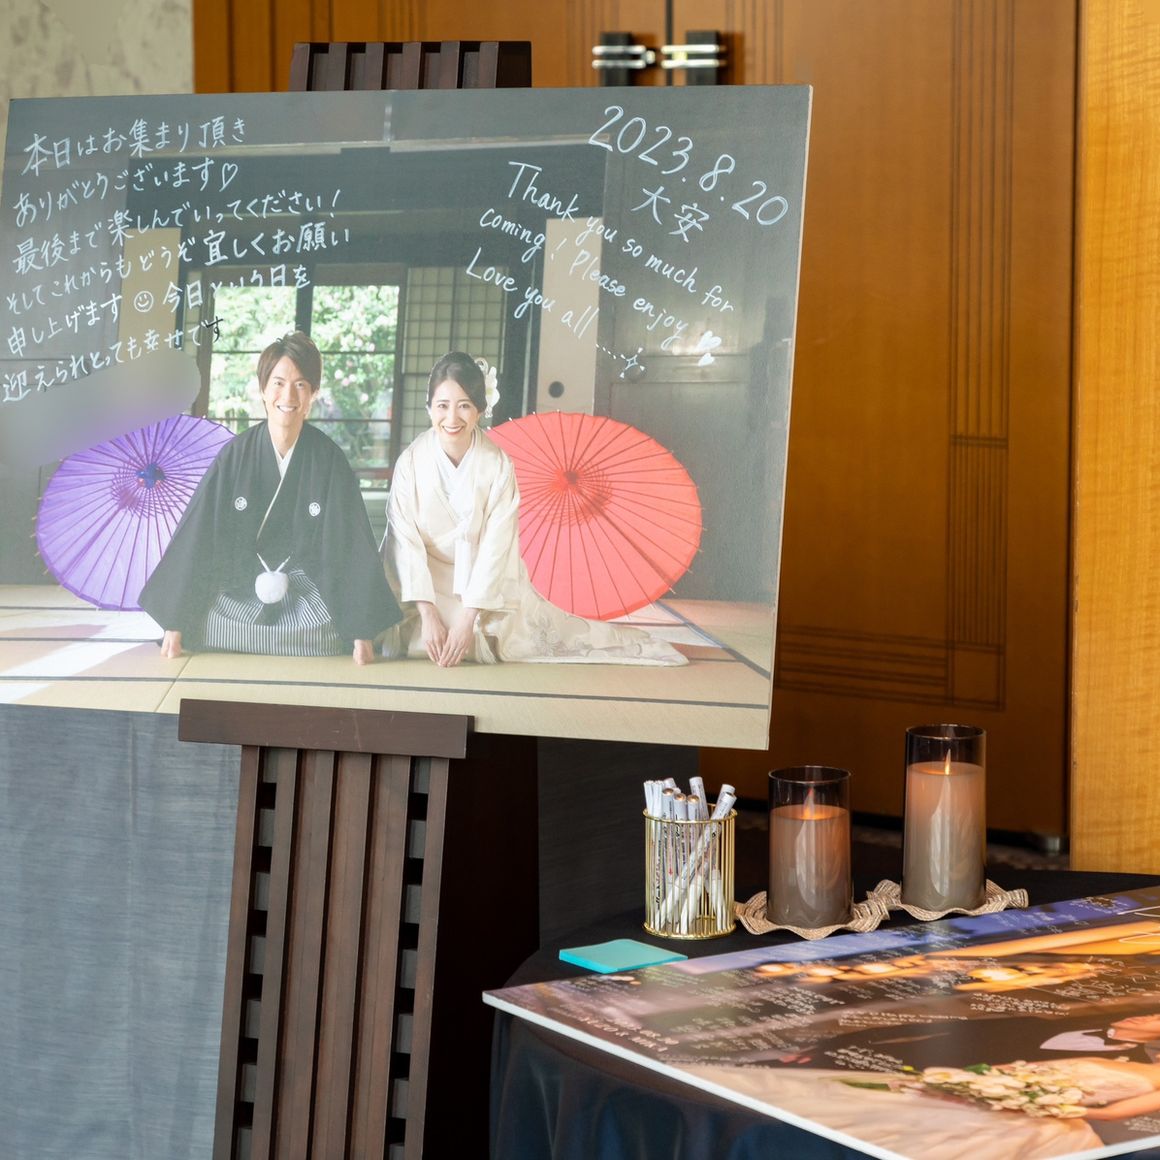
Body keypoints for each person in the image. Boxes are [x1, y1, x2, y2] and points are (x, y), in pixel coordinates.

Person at [381, 351, 687, 667]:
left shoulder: (497, 464)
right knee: (417, 638)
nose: (452, 418)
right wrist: (428, 612)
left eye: (464, 406)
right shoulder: (411, 462)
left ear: (480, 409)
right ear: (429, 407)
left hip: (478, 582)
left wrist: (468, 617)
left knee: (481, 641)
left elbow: (497, 545)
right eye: (442, 406)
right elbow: (404, 541)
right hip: (423, 583)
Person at [139, 332, 401, 663]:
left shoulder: (328, 459)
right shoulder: (235, 455)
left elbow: (348, 544)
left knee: (328, 627)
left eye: (300, 385)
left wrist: (360, 630)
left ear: (313, 394)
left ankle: (252, 637)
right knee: (206, 618)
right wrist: (176, 622)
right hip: (241, 586)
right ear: (263, 390)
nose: (288, 396)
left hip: (305, 589)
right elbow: (199, 534)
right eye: (278, 383)